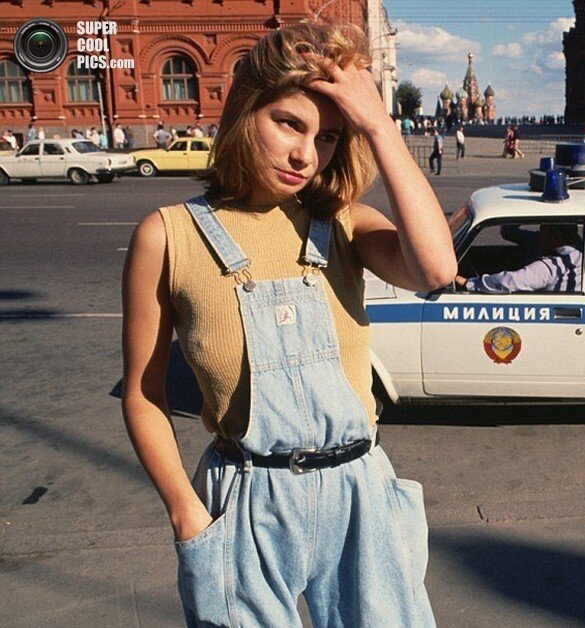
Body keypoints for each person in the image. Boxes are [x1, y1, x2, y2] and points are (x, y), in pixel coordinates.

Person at [121, 22, 454, 627]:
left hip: (359, 496)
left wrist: (379, 126)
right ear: (246, 111)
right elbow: (144, 393)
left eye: (327, 136)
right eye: (288, 123)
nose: (307, 155)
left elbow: (436, 268)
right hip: (243, 501)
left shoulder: (345, 224)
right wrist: (184, 510)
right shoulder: (168, 236)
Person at [455, 224, 585, 293]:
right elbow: (508, 232)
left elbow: (509, 282)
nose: (538, 233)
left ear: (556, 236)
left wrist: (469, 283)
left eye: (542, 230)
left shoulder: (552, 266)